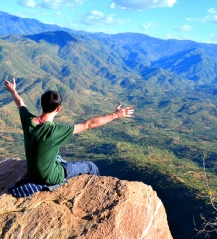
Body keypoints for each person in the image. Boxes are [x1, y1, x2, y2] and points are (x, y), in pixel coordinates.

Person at [4, 78, 134, 185]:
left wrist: (12, 90)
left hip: (33, 173)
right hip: (50, 177)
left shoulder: (28, 121)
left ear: (41, 104)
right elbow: (88, 124)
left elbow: (20, 103)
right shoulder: (54, 131)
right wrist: (115, 115)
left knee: (58, 157)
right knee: (90, 166)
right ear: (58, 109)